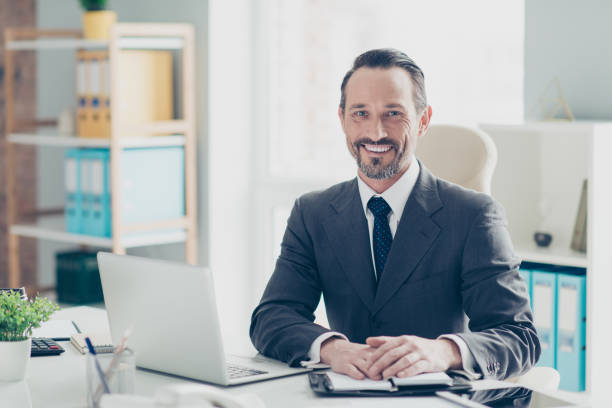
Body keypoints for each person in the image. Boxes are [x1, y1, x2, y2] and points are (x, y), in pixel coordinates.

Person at [250, 48, 540, 381]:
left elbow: (519, 337)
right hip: (345, 396)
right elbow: (271, 317)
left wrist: (444, 351)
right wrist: (332, 348)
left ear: (423, 120)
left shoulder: (474, 216)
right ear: (342, 119)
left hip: (435, 398)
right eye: (361, 113)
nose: (375, 133)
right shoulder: (312, 213)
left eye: (393, 113)